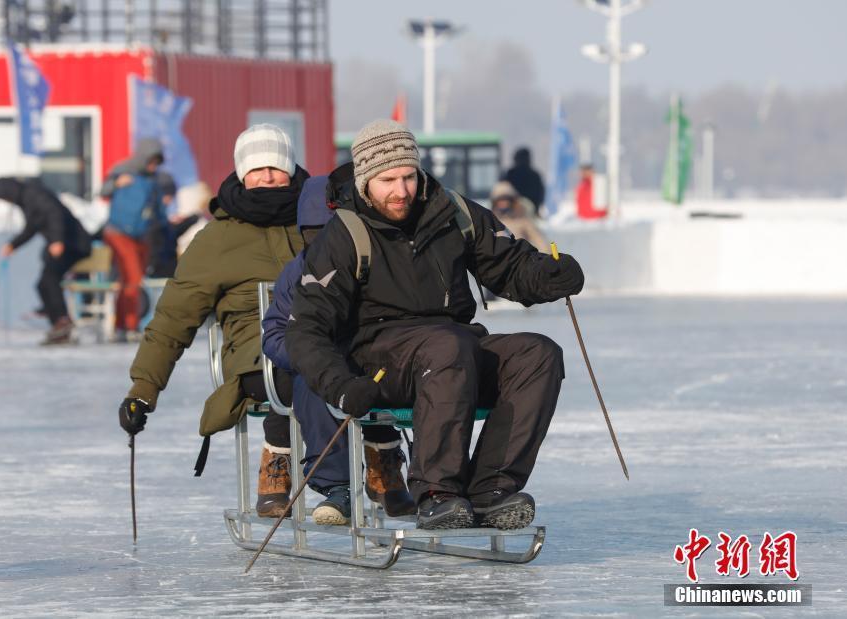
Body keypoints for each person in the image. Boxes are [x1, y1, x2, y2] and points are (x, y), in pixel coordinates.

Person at [286, 120, 585, 530]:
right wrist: (341, 385)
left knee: (537, 353)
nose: (402, 190)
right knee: (447, 347)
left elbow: (510, 266)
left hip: (453, 350)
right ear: (365, 180)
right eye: (388, 179)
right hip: (379, 361)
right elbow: (306, 329)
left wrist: (547, 275)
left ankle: (491, 489)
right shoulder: (344, 236)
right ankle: (436, 492)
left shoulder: (452, 212)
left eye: (409, 176)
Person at [116, 124, 307, 518]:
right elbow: (174, 316)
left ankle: (381, 468)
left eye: (276, 166)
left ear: (291, 168)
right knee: (297, 371)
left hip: (322, 338)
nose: (267, 176)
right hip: (257, 356)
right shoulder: (217, 238)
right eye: (257, 168)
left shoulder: (318, 221)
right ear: (241, 173)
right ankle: (276, 468)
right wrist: (143, 389)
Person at [261, 166, 414, 525]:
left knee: (383, 375)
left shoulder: (374, 261)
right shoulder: (296, 272)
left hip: (370, 356)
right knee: (312, 380)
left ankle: (390, 468)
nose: (324, 243)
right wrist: (303, 355)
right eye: (314, 234)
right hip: (319, 363)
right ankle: (336, 485)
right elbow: (275, 331)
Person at [0, 177, 92, 345]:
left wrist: (57, 240)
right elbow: (32, 227)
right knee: (43, 284)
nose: (6, 202)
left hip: (74, 244)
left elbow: (54, 212)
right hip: (66, 244)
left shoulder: (34, 195)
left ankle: (63, 321)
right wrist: (13, 245)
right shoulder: (27, 200)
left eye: (5, 197)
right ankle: (59, 325)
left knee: (49, 280)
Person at [99, 138, 176, 341]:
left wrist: (167, 224)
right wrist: (116, 183)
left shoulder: (154, 181)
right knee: (133, 278)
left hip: (141, 235)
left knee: (129, 281)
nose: (153, 166)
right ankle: (131, 326)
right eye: (151, 161)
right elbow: (103, 191)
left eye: (157, 163)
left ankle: (121, 325)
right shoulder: (123, 170)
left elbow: (158, 209)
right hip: (118, 232)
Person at [489, 180, 551, 253]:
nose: (503, 203)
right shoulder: (490, 221)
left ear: (512, 201)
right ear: (495, 202)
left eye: (506, 199)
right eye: (500, 200)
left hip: (520, 260)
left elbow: (539, 240)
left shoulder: (522, 220)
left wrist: (549, 257)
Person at [503, 147, 546, 218]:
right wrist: (536, 209)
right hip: (529, 211)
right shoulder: (535, 175)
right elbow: (540, 195)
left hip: (512, 211)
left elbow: (502, 192)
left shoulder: (509, 174)